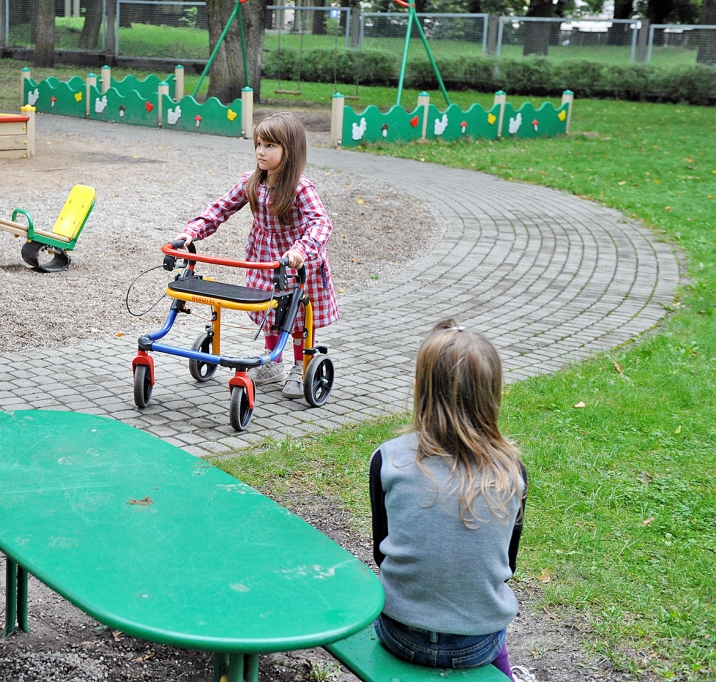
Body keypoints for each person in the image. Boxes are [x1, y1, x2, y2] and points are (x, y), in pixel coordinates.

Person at [369, 320, 527, 679]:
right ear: (494, 397)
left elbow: (381, 552)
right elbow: (507, 563)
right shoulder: (511, 471)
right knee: (492, 624)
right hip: (477, 643)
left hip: (399, 633)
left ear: (417, 391)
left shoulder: (388, 458)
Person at [174, 111, 337, 398]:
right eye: (259, 144)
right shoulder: (252, 181)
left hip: (295, 262)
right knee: (268, 310)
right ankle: (273, 362)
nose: (261, 151)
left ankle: (302, 365)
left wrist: (301, 249)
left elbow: (321, 222)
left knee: (297, 317)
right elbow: (220, 208)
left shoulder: (300, 187)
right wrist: (191, 232)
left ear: (290, 151)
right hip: (264, 258)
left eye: (270, 146)